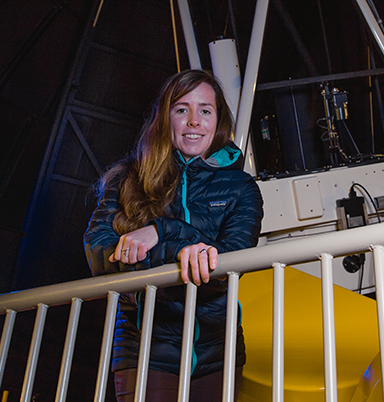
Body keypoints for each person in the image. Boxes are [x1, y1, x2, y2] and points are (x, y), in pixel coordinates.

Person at [83, 69, 263, 402]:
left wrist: (161, 231)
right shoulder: (125, 179)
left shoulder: (241, 188)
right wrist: (179, 254)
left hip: (218, 355)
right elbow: (99, 254)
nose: (194, 120)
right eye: (182, 109)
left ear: (218, 121)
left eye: (205, 110)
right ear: (166, 119)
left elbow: (227, 263)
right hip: (144, 350)